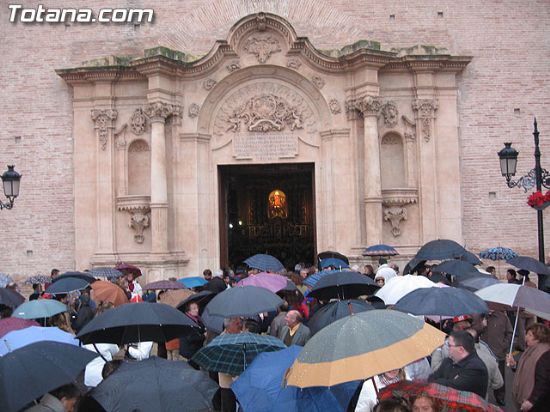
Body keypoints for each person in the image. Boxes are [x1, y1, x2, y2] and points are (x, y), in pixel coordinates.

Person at [428, 330, 488, 398]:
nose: (447, 348)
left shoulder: (476, 368)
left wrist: (439, 381)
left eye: (449, 345)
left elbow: (453, 387)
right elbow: (431, 378)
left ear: (461, 349)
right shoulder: (448, 361)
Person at [507, 323, 550, 412]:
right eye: (527, 334)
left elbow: (543, 382)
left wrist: (531, 401)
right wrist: (514, 364)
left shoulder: (543, 355)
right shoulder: (531, 349)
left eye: (530, 335)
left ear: (539, 338)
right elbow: (526, 367)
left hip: (536, 405)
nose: (526, 337)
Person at [480, 309, 513, 406]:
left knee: (500, 377)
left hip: (499, 353)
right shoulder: (479, 316)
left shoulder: (503, 317)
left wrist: (504, 345)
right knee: (482, 377)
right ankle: (481, 397)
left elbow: (509, 332)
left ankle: (500, 397)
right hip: (483, 353)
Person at [466, 327, 503, 399]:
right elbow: (499, 383)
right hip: (481, 399)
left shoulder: (453, 356)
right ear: (478, 339)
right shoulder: (490, 359)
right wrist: (487, 384)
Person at [179, 301, 206, 368]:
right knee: (193, 369)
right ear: (189, 311)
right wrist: (204, 336)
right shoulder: (187, 321)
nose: (196, 310)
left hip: (195, 349)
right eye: (194, 308)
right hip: (190, 350)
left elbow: (200, 329)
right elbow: (191, 338)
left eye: (197, 308)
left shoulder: (197, 319)